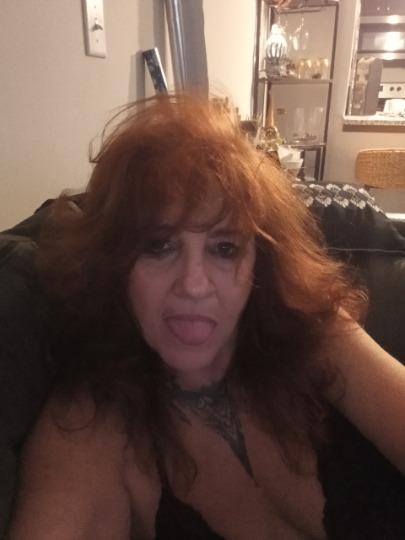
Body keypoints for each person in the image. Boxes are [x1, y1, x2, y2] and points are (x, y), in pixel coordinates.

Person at [7, 94, 405, 540]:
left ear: (260, 261)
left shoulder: (319, 334)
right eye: (159, 246)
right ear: (113, 263)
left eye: (224, 248)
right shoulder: (90, 428)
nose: (194, 285)